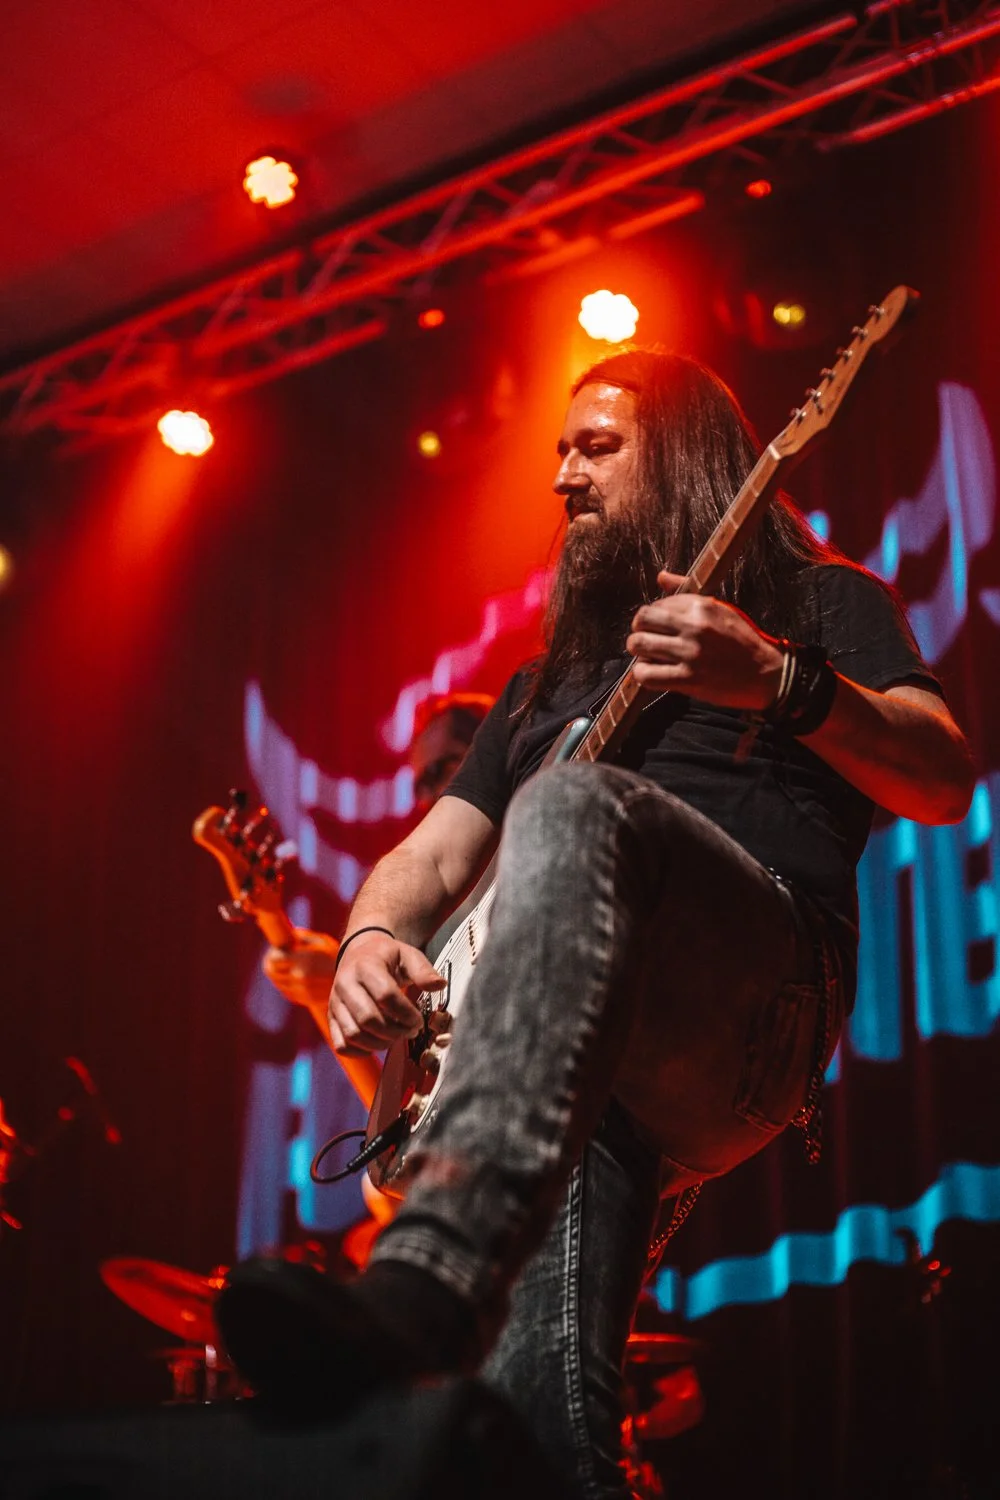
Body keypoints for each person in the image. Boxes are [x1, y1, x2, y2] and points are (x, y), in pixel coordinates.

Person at [218, 351, 974, 1499]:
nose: (563, 477)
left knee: (573, 806)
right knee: (532, 1426)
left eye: (595, 447)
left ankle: (426, 1282)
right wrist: (373, 940)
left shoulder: (820, 603)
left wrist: (782, 682)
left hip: (759, 999)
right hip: (586, 1040)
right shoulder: (540, 688)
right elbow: (428, 858)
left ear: (679, 455)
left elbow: (941, 776)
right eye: (559, 452)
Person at [260, 690, 494, 1100]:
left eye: (441, 768)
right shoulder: (431, 915)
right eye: (420, 782)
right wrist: (327, 992)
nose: (428, 796)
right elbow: (398, 1117)